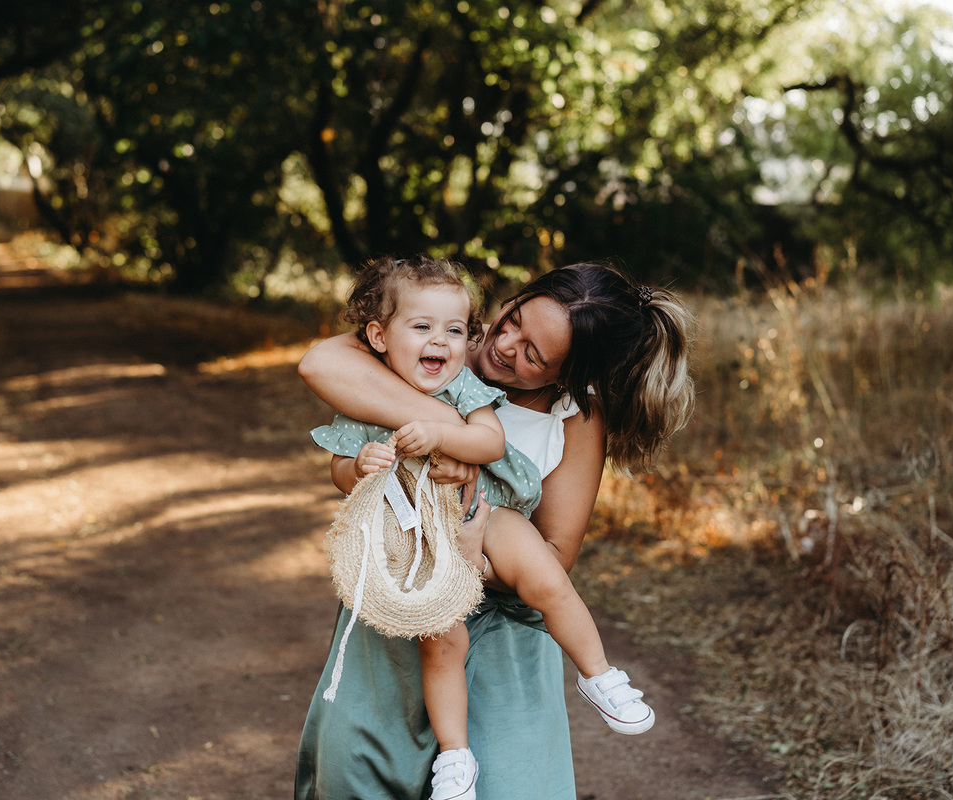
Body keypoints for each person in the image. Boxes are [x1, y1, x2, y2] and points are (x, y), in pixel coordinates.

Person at [295, 260, 696, 800]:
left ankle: (598, 677)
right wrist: (452, 436)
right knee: (357, 778)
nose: (505, 345)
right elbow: (321, 365)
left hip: (500, 629)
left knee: (508, 786)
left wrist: (472, 554)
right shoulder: (440, 335)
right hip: (400, 604)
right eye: (513, 319)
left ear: (569, 377)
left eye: (534, 355)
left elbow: (556, 553)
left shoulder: (576, 417)